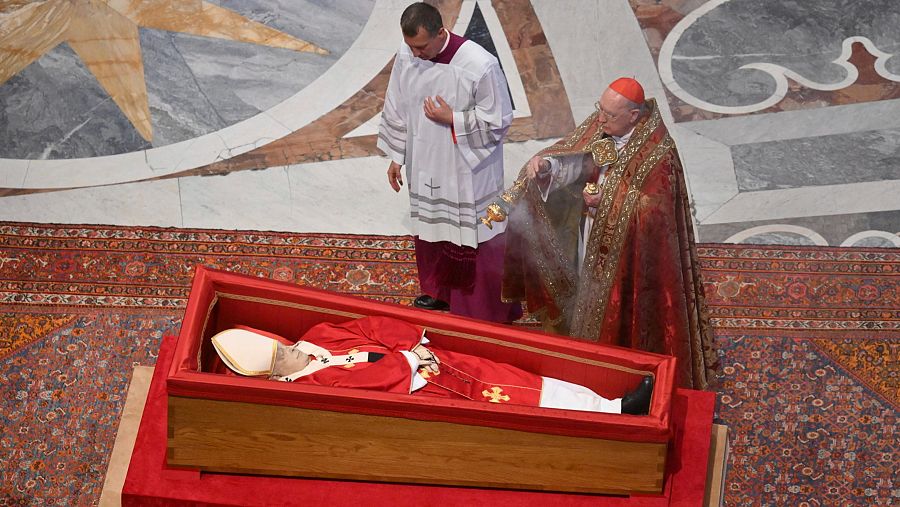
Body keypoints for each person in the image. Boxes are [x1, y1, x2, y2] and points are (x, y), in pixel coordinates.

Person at [501, 78, 719, 390]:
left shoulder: (659, 154)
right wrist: (548, 166)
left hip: (626, 252)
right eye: (599, 110)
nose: (600, 119)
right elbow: (579, 159)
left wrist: (609, 200)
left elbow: (655, 214)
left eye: (609, 115)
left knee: (617, 307)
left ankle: (617, 364)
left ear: (634, 116)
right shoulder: (607, 123)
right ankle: (581, 342)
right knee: (583, 295)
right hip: (590, 232)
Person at [377, 2, 521, 323]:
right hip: (425, 160)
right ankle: (440, 292)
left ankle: (481, 310)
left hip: (468, 170)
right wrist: (397, 156)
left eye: (422, 46)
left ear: (441, 32)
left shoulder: (479, 65)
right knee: (432, 227)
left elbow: (499, 120)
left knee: (476, 235)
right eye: (411, 46)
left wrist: (452, 118)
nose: (415, 54)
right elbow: (398, 104)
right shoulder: (408, 54)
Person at [211, 315, 654, 415]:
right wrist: (411, 362)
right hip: (427, 393)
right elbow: (368, 388)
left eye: (285, 344)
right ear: (277, 373)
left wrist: (412, 345)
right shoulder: (309, 388)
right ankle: (613, 417)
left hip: (434, 362)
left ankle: (607, 402)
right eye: (287, 356)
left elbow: (371, 327)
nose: (296, 349)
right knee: (518, 403)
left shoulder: (315, 338)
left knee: (522, 379)